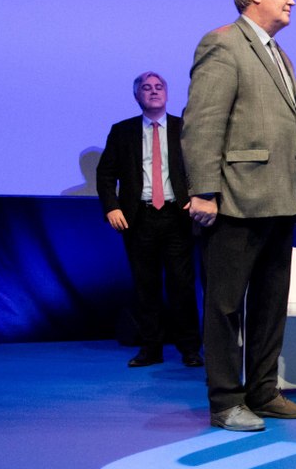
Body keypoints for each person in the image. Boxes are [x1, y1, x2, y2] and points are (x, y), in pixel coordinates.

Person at [181, 0, 296, 432]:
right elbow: (202, 124)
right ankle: (225, 401)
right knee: (225, 305)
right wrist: (205, 191)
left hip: (280, 200)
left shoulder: (279, 52)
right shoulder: (222, 44)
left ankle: (263, 391)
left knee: (270, 304)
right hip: (236, 200)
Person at [96, 72, 202, 369]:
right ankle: (150, 348)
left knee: (182, 286)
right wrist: (111, 207)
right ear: (137, 95)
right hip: (138, 218)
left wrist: (198, 195)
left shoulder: (184, 129)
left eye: (159, 87)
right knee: (146, 286)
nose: (153, 91)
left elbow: (200, 167)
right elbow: (105, 175)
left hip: (177, 215)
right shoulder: (122, 131)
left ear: (167, 94)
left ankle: (190, 349)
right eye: (146, 87)